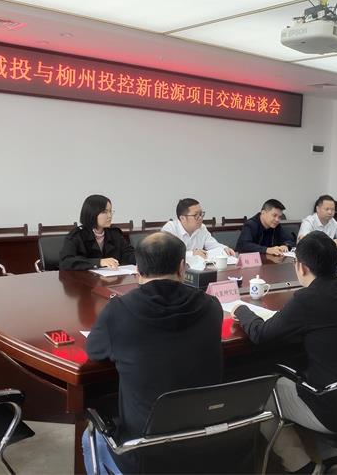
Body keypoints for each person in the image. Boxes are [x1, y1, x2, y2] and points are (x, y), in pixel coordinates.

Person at [232, 231, 337, 474]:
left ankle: (303, 468)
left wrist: (241, 309)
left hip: (332, 408)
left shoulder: (307, 300)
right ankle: (333, 462)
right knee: (319, 374)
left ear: (301, 267)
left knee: (260, 393)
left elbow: (261, 334)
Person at [82, 232, 223, 474]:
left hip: (144, 455)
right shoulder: (211, 307)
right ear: (182, 267)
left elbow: (94, 351)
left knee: (90, 437)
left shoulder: (119, 311)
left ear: (137, 270)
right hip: (204, 446)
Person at [59, 194, 135, 270]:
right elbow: (66, 262)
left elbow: (129, 254)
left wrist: (140, 258)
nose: (109, 216)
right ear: (92, 213)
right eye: (105, 212)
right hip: (85, 277)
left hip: (112, 276)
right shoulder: (77, 235)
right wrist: (99, 262)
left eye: (110, 211)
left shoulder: (114, 233)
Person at [162, 198, 235, 259]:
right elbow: (168, 254)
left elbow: (213, 245)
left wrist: (224, 248)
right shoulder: (170, 229)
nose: (200, 218)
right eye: (196, 215)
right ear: (182, 218)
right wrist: (192, 254)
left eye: (201, 214)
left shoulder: (202, 228)